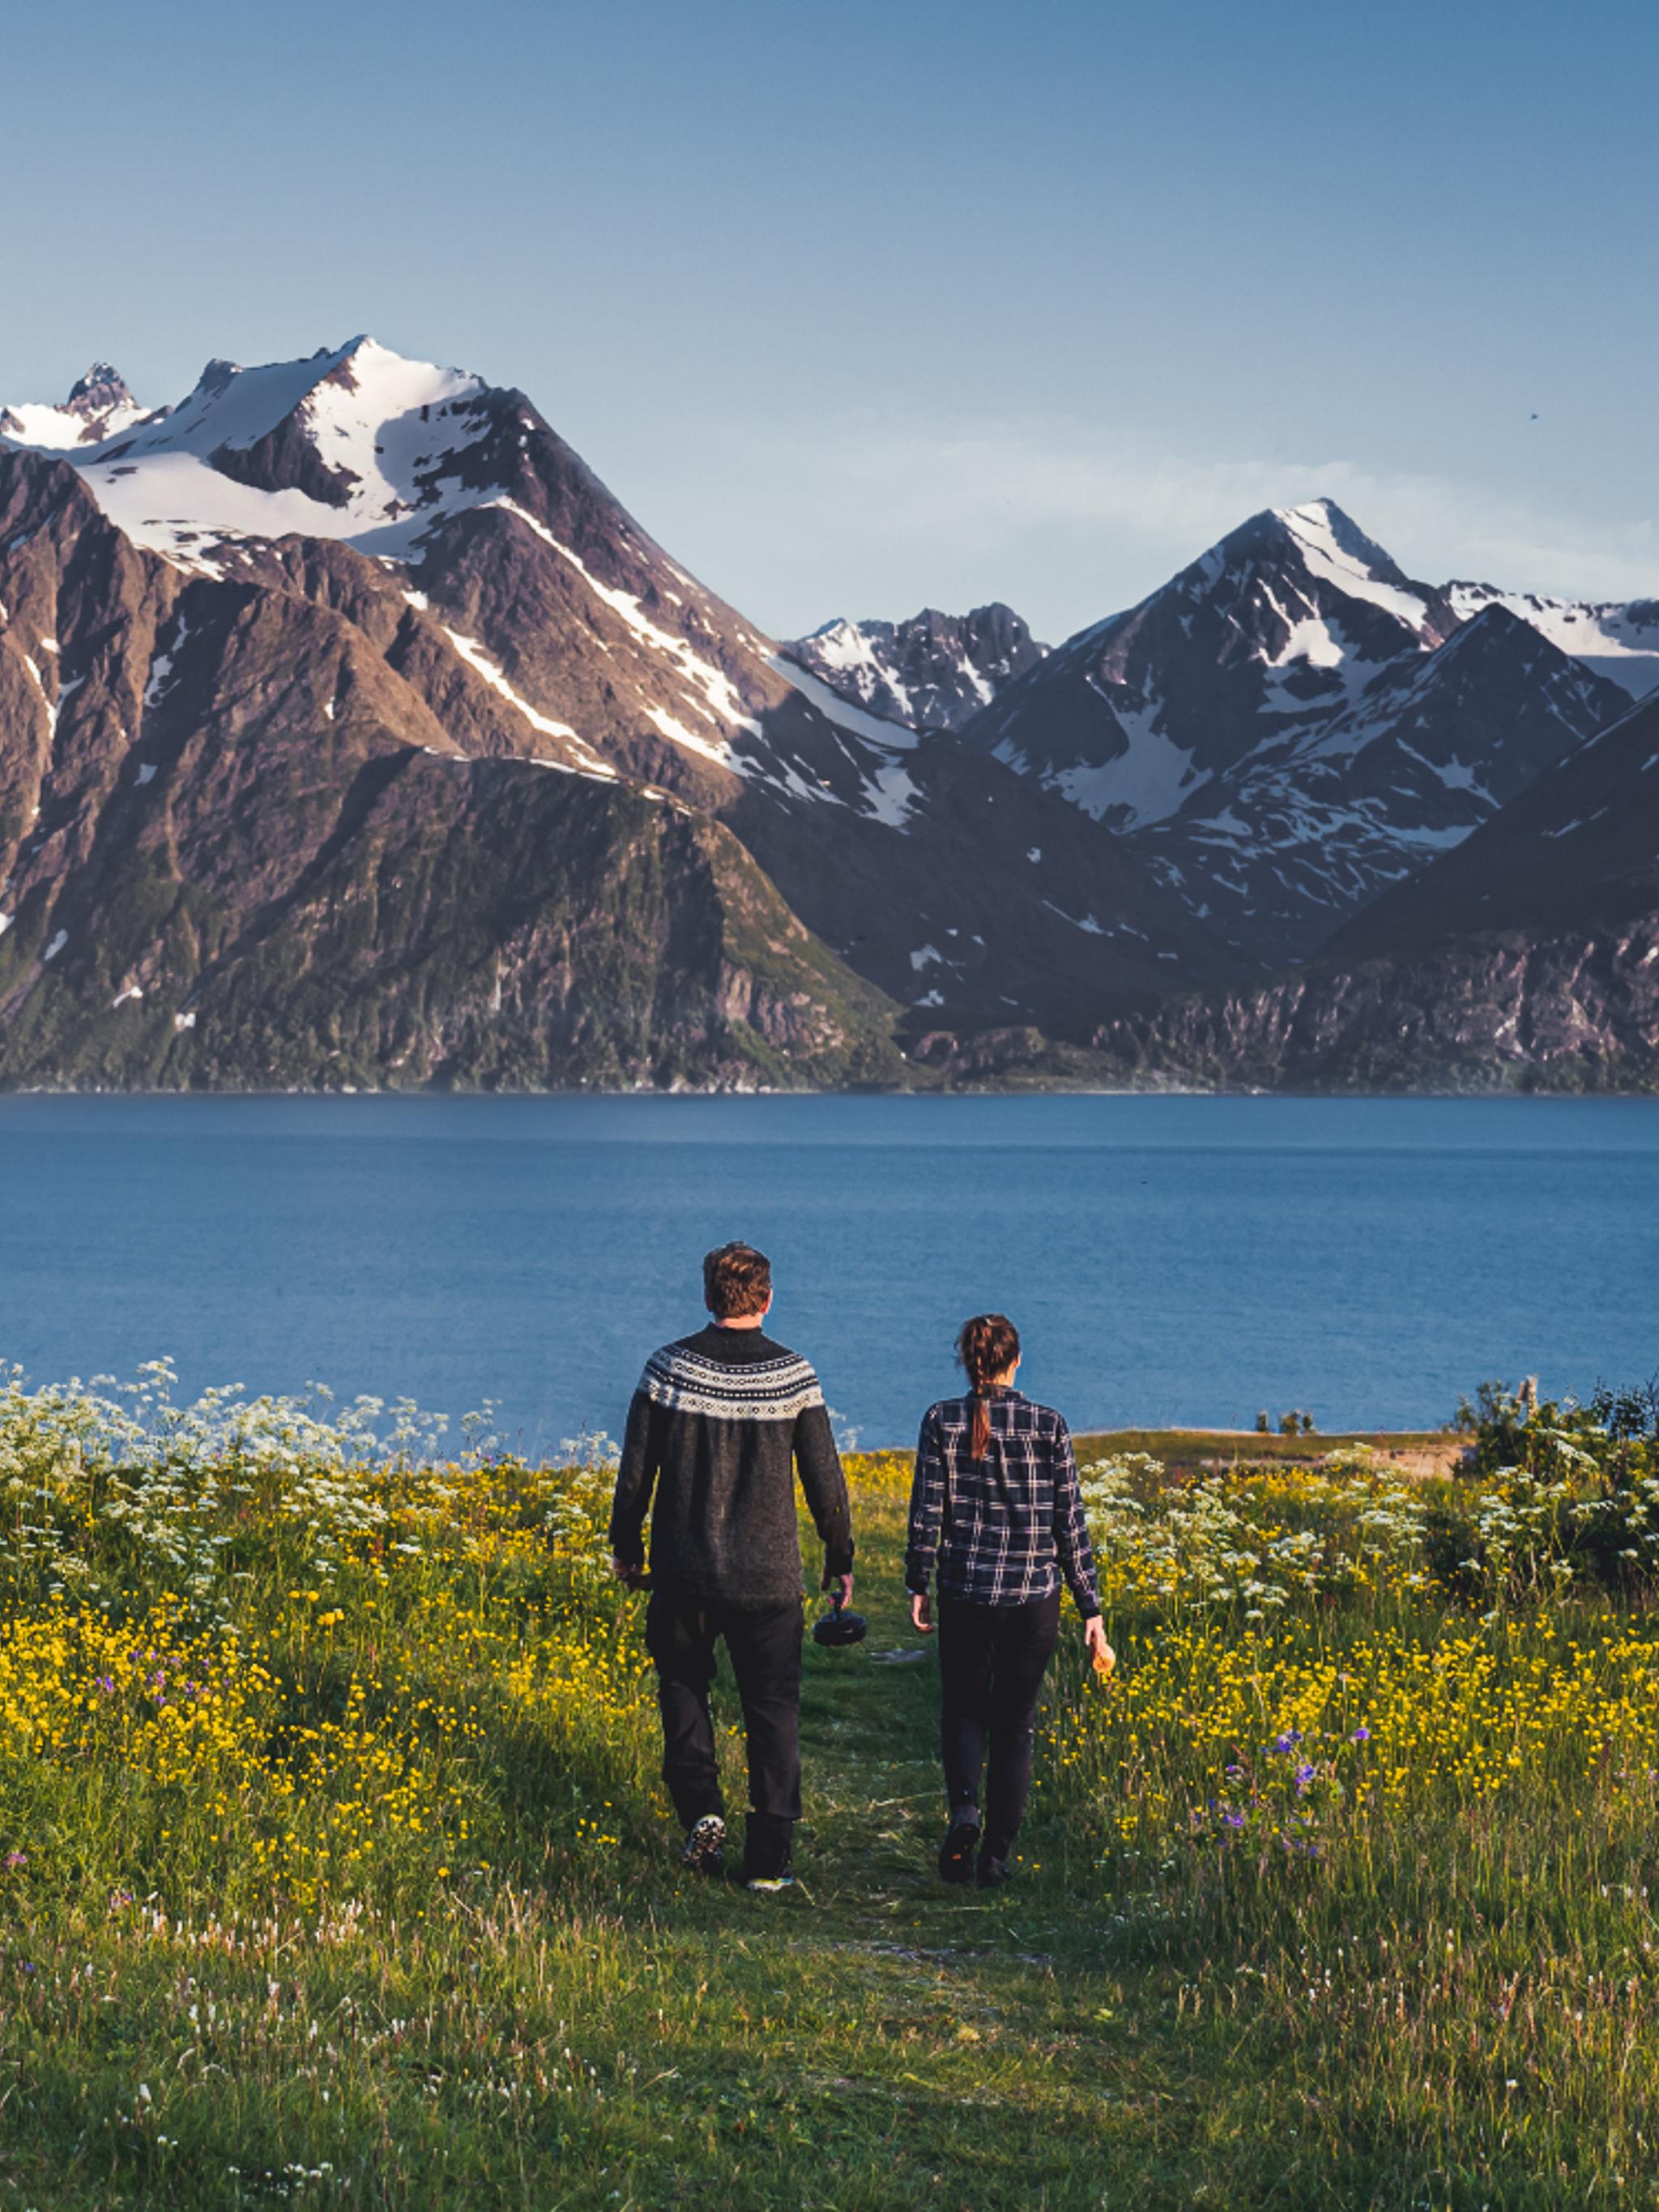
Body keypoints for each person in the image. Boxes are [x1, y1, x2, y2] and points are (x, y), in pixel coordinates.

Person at [610, 1241, 855, 1892]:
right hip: (769, 1578)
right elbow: (824, 1477)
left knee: (684, 1688)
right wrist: (841, 1556)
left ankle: (702, 1810)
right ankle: (769, 1860)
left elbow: (636, 1473)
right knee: (772, 1710)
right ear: (767, 1299)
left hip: (684, 1572)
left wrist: (626, 1546)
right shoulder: (795, 1375)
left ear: (708, 1296)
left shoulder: (667, 1369)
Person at [906, 1313, 1108, 1889]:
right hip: (1033, 1597)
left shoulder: (941, 1421)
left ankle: (965, 1809)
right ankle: (995, 1855)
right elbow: (1070, 1525)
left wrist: (918, 1581)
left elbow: (928, 1511)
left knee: (963, 1711)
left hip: (966, 1590)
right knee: (1015, 1723)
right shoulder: (1049, 1425)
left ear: (967, 1362)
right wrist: (1090, 1607)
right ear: (1016, 1361)